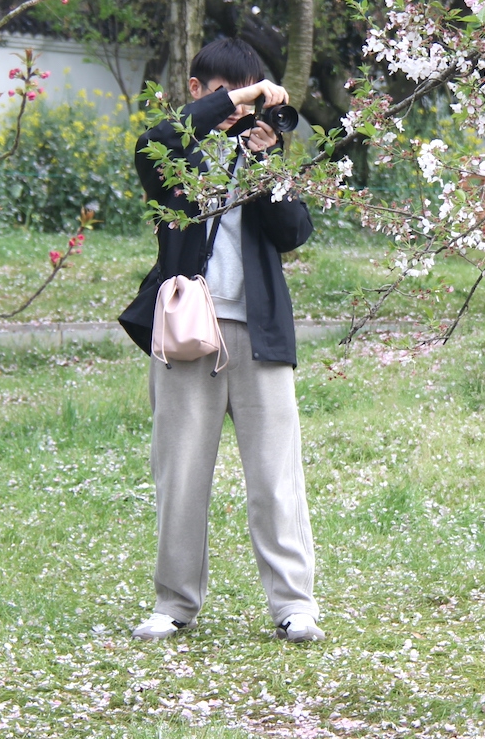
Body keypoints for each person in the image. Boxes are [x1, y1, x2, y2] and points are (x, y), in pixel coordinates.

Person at [119, 38, 323, 643]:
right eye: (225, 95)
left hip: (259, 332)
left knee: (276, 475)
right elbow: (151, 142)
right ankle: (175, 603)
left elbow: (294, 233)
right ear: (197, 92)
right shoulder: (175, 156)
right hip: (187, 334)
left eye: (248, 96)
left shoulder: (258, 152)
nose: (239, 109)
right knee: (180, 473)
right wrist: (237, 100)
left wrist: (267, 163)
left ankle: (294, 605)